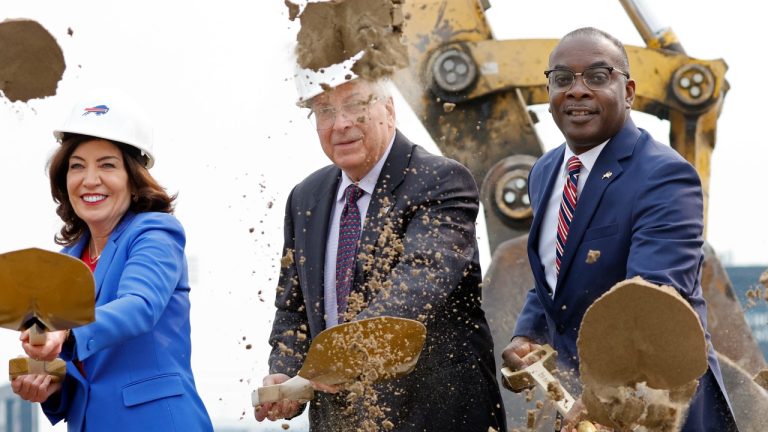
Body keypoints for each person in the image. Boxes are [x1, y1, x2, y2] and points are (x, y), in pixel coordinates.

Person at [501, 27, 738, 431]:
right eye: (562, 79)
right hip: (583, 403)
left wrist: (605, 399)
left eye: (596, 76)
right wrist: (527, 334)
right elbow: (557, 273)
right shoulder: (544, 172)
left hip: (657, 405)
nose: (577, 91)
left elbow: (654, 303)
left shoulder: (664, 176)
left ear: (628, 91)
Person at [254, 63, 506, 431]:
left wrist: (339, 357)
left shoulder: (440, 181)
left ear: (389, 108)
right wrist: (286, 373)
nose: (340, 123)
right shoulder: (305, 198)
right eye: (324, 110)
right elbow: (293, 308)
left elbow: (419, 281)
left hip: (435, 416)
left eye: (356, 104)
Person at [11, 90, 213, 431]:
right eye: (77, 166)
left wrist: (67, 332)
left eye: (107, 165)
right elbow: (81, 369)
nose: (90, 180)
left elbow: (139, 305)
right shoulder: (64, 263)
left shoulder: (155, 232)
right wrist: (49, 384)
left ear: (134, 179)